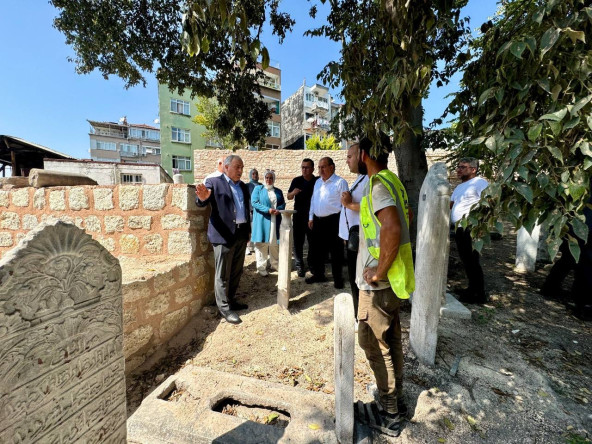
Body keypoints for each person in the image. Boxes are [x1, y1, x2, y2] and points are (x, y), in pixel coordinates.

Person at [355, 134, 415, 436]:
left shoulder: (378, 186)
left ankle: (389, 412)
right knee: (390, 340)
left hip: (379, 285)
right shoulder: (394, 182)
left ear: (365, 154)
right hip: (395, 278)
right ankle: (397, 400)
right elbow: (407, 218)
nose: (353, 158)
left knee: (372, 343)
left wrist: (378, 271)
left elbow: (391, 226)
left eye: (354, 153)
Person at [195, 155, 250, 325]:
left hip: (240, 234)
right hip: (223, 235)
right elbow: (202, 200)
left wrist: (247, 232)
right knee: (222, 275)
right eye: (237, 167)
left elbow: (245, 209)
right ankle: (224, 309)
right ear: (226, 167)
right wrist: (203, 197)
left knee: (236, 271)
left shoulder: (242, 186)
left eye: (242, 167)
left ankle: (231, 300)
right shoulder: (214, 182)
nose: (240, 171)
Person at [450, 157, 489, 303]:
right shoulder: (460, 187)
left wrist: (480, 223)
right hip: (460, 228)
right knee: (466, 260)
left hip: (471, 228)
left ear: (473, 169)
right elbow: (451, 204)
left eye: (462, 167)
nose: (458, 169)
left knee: (472, 260)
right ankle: (471, 289)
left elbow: (489, 202)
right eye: (458, 167)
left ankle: (479, 295)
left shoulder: (480, 183)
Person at [306, 157, 348, 288]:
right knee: (317, 250)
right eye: (319, 167)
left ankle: (337, 278)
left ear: (331, 167)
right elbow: (314, 200)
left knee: (336, 251)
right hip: (318, 221)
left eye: (323, 167)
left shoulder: (340, 183)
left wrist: (344, 225)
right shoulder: (318, 182)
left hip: (334, 221)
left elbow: (345, 206)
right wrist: (311, 217)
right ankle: (319, 275)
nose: (320, 170)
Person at [339, 142, 368, 321]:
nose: (347, 161)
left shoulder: (370, 180)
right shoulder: (359, 178)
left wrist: (349, 204)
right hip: (352, 239)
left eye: (350, 156)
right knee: (353, 279)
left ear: (361, 156)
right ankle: (359, 314)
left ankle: (361, 318)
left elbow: (372, 208)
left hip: (361, 240)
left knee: (358, 281)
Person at [251, 170, 286, 276]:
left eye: (271, 178)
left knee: (274, 243)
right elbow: (254, 202)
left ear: (274, 179)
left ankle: (275, 264)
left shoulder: (278, 191)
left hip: (275, 220)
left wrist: (278, 210)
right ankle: (261, 267)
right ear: (264, 178)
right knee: (262, 244)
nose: (269, 180)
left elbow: (283, 203)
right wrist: (268, 210)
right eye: (267, 178)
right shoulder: (258, 189)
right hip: (263, 220)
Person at [287, 158, 318, 277]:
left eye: (307, 167)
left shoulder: (317, 181)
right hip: (299, 216)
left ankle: (311, 264)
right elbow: (289, 197)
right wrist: (293, 193)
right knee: (298, 242)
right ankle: (299, 265)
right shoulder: (296, 180)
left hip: (313, 217)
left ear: (312, 169)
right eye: (302, 167)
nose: (304, 170)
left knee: (313, 242)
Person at [246, 168, 261, 255]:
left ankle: (256, 246)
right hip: (251, 211)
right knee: (249, 229)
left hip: (260, 211)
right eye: (253, 174)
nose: (255, 175)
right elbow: (246, 198)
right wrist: (250, 208)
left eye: (256, 174)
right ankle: (247, 247)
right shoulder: (247, 186)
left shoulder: (261, 185)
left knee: (257, 229)